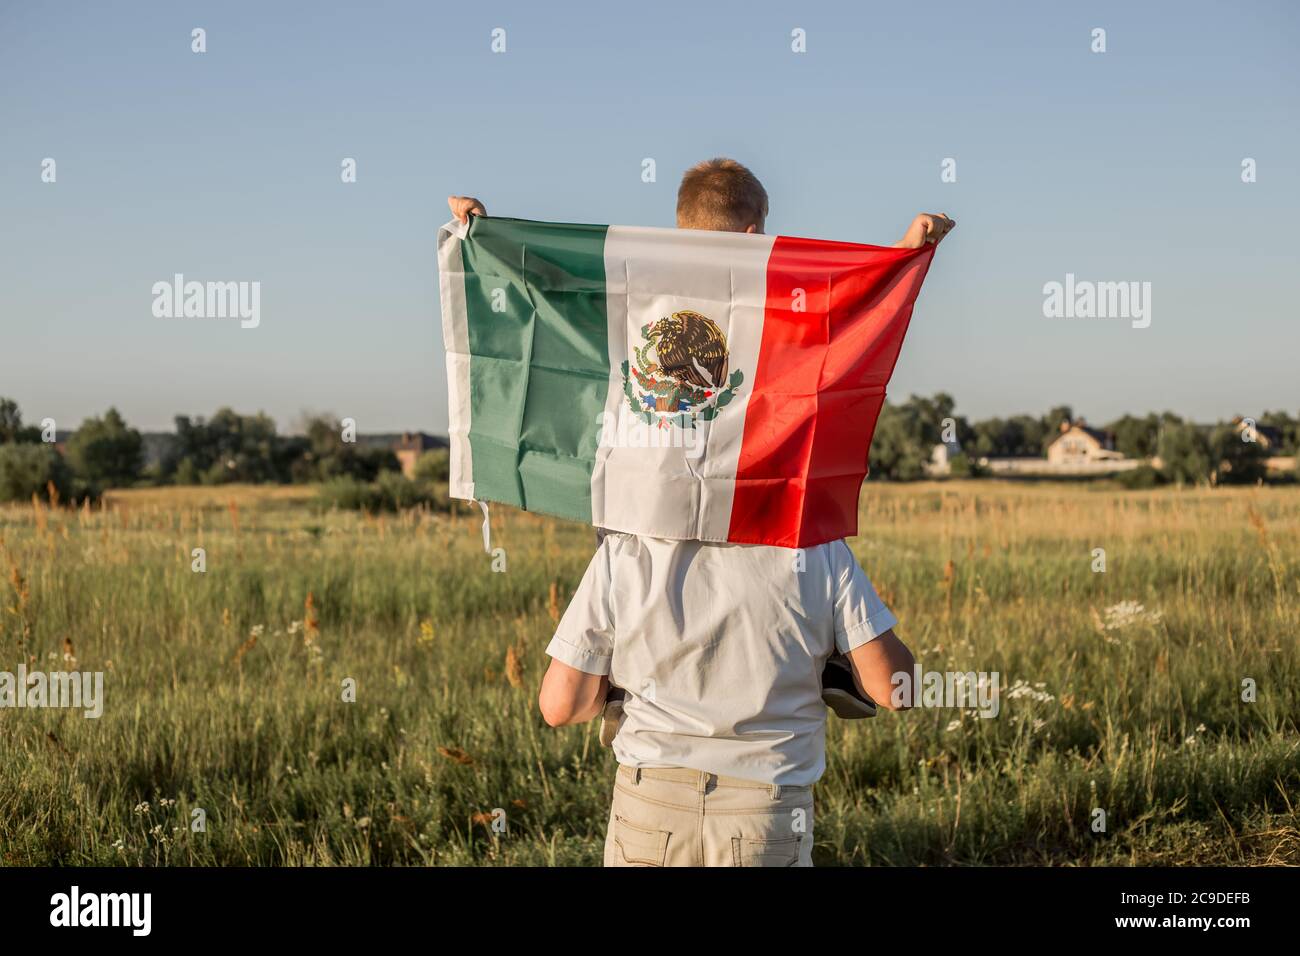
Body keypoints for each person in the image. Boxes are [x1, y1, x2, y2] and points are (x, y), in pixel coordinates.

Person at [448, 158, 954, 866]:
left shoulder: (627, 547)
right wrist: (900, 261)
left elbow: (559, 707)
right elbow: (895, 692)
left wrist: (484, 238)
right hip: (767, 815)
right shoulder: (812, 544)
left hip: (649, 806)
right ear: (752, 235)